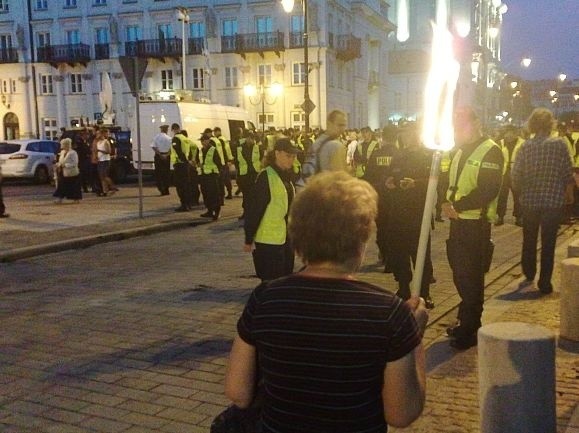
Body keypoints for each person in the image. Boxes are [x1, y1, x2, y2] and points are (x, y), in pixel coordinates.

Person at [226, 171, 428, 433]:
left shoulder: (265, 298)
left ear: (297, 240)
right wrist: (416, 338)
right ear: (362, 242)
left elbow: (238, 392)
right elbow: (402, 414)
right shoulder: (389, 314)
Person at [442, 107, 503, 350]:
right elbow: (452, 181)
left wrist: (456, 204)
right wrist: (446, 203)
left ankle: (469, 329)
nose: (458, 131)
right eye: (455, 126)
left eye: (462, 126)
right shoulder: (459, 151)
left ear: (476, 123)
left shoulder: (491, 150)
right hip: (458, 221)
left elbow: (488, 189)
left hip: (475, 224)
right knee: (460, 273)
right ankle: (465, 320)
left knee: (472, 278)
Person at [511, 108, 574, 294]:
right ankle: (545, 282)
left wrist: (521, 192)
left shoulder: (525, 147)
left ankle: (529, 273)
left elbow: (516, 175)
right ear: (550, 124)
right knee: (549, 242)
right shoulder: (560, 145)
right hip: (553, 202)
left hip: (529, 201)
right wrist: (568, 193)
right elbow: (566, 172)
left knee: (529, 239)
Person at [386, 124, 435, 309]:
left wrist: (416, 183)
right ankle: (403, 288)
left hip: (418, 213)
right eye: (405, 134)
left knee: (421, 253)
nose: (408, 137)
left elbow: (435, 181)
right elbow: (390, 176)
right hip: (398, 212)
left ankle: (424, 293)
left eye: (411, 133)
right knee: (399, 253)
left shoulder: (427, 156)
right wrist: (389, 181)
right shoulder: (398, 156)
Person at [243, 138, 297, 282]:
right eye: (288, 156)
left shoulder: (287, 177)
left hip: (285, 239)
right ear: (277, 154)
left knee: (285, 280)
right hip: (269, 242)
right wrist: (249, 238)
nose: (291, 160)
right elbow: (254, 210)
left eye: (293, 157)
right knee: (270, 283)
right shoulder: (266, 177)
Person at [496, 125, 525, 226]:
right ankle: (500, 216)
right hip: (504, 173)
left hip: (517, 172)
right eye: (507, 133)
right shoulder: (501, 143)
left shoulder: (523, 143)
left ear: (516, 133)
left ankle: (519, 217)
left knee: (518, 196)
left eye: (511, 133)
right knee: (502, 196)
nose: (509, 135)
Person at [235, 130, 263, 220]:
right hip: (244, 175)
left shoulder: (258, 148)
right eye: (250, 138)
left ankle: (254, 213)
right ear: (246, 138)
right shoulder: (239, 148)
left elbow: (262, 159)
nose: (251, 140)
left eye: (253, 139)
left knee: (255, 194)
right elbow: (237, 161)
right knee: (246, 195)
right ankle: (246, 212)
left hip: (254, 174)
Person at [198, 132, 223, 220]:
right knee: (206, 194)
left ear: (208, 140)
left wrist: (217, 173)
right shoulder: (201, 150)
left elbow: (219, 163)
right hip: (203, 175)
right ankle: (209, 210)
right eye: (201, 141)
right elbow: (199, 162)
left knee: (214, 194)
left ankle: (217, 212)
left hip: (212, 175)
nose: (202, 142)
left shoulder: (213, 150)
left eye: (204, 140)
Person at [170, 123, 193, 212]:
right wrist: (188, 160)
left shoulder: (176, 138)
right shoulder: (185, 138)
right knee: (186, 184)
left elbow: (178, 151)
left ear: (174, 129)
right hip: (186, 165)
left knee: (180, 186)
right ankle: (188, 203)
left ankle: (184, 205)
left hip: (180, 165)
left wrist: (183, 160)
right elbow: (189, 150)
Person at [53, 138, 82, 203]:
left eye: (63, 144)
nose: (62, 146)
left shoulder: (73, 153)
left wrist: (66, 165)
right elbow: (61, 161)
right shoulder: (62, 152)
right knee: (61, 185)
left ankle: (76, 199)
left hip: (72, 173)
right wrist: (58, 164)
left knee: (74, 187)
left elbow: (75, 163)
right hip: (63, 172)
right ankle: (59, 198)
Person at [151, 124, 172, 196]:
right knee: (166, 173)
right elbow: (171, 149)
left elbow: (154, 147)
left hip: (158, 157)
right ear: (166, 130)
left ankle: (161, 189)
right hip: (167, 156)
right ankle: (166, 189)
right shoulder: (169, 138)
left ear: (161, 129)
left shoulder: (156, 137)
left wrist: (160, 154)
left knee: (159, 173)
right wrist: (166, 155)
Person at [95, 128, 117, 196]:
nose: (97, 136)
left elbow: (108, 151)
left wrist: (100, 151)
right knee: (101, 176)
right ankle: (105, 191)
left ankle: (112, 187)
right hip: (100, 160)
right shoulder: (98, 142)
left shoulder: (106, 142)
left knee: (105, 175)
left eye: (99, 134)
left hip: (105, 160)